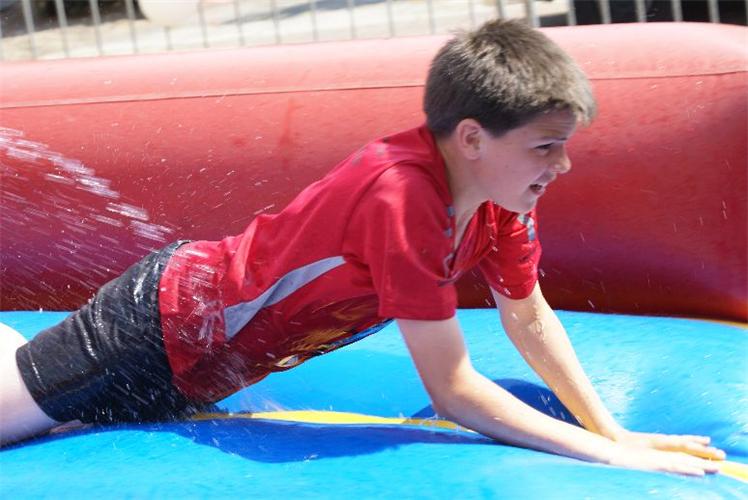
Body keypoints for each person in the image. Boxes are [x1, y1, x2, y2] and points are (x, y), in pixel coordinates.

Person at [0, 19, 726, 477]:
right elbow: (454, 391)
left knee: (46, 413)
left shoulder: (498, 204)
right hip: (150, 331)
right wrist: (613, 457)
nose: (561, 166)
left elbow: (528, 318)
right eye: (544, 147)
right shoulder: (401, 199)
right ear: (472, 139)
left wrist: (614, 428)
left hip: (205, 369)